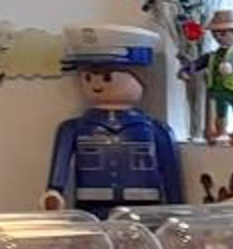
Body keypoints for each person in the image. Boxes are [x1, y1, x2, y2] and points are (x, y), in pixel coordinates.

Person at [46, 27, 181, 210]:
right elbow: (58, 173)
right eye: (88, 77)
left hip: (144, 211)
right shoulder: (73, 128)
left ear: (140, 78)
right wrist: (54, 193)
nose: (96, 83)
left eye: (107, 77)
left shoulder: (155, 130)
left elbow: (172, 179)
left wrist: (177, 210)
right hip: (91, 209)